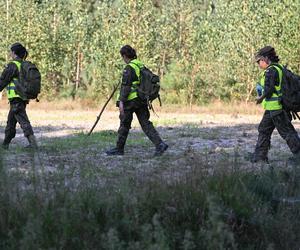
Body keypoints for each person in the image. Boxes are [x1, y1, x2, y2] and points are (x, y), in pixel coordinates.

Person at [106, 45, 168, 156]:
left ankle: (119, 149)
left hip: (130, 101)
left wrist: (121, 102)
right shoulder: (140, 65)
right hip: (141, 100)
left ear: (125, 56)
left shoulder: (129, 68)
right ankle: (160, 144)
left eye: (122, 57)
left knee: (124, 124)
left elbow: (126, 87)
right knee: (145, 124)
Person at [250, 46, 300, 163]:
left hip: (277, 108)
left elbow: (269, 89)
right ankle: (260, 156)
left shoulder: (270, 70)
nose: (258, 64)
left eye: (259, 61)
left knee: (287, 132)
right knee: (263, 130)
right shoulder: (279, 68)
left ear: (266, 58)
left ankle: (299, 156)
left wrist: (260, 98)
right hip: (272, 108)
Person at [0, 42, 37, 149]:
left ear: (14, 52)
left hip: (16, 98)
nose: (10, 54)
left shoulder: (13, 65)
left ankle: (33, 144)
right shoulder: (24, 64)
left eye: (11, 52)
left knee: (23, 120)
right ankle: (5, 145)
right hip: (22, 98)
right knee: (11, 122)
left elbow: (2, 81)